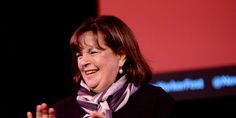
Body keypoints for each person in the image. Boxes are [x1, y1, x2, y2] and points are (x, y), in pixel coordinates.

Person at [27, 15, 176, 118]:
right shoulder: (60, 111)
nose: (83, 62)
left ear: (121, 56)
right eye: (79, 55)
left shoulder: (155, 102)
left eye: (93, 52)